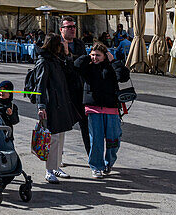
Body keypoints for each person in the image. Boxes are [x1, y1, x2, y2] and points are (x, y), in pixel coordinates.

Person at [74, 43, 130, 177]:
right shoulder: (87, 67)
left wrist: (114, 61)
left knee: (114, 139)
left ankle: (109, 162)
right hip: (93, 108)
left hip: (111, 107)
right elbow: (75, 66)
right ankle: (96, 166)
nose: (95, 58)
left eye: (98, 55)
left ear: (105, 56)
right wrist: (87, 57)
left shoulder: (111, 67)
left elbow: (123, 76)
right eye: (93, 55)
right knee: (96, 139)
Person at [35, 34, 78, 183]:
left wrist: (67, 54)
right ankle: (49, 170)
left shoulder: (56, 59)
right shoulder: (44, 61)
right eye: (60, 44)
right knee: (52, 139)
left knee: (60, 137)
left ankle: (56, 166)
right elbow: (40, 85)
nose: (62, 46)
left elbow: (70, 71)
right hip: (51, 104)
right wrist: (41, 106)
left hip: (61, 102)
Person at [59, 18, 90, 152]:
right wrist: (69, 57)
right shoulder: (57, 44)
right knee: (60, 127)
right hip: (63, 91)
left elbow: (83, 62)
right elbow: (61, 65)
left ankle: (91, 157)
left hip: (79, 89)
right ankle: (57, 158)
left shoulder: (79, 43)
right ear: (61, 29)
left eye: (74, 26)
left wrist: (68, 57)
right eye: (68, 27)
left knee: (85, 124)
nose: (72, 29)